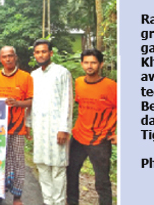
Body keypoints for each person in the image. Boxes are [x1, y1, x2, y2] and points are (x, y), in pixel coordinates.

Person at [66, 49, 116, 205]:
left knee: (102, 181)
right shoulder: (79, 82)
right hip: (79, 136)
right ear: (81, 64)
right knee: (70, 173)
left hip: (100, 139)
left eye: (93, 62)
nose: (90, 66)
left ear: (100, 64)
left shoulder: (111, 86)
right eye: (86, 62)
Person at [28, 39, 72, 205]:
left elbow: (67, 102)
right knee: (42, 166)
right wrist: (29, 124)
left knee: (58, 169)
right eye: (38, 52)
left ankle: (59, 202)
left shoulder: (62, 72)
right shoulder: (33, 75)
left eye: (44, 51)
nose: (41, 55)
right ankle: (47, 201)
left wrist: (64, 128)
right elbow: (31, 103)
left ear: (51, 53)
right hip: (39, 129)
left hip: (56, 130)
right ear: (34, 55)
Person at [0, 47, 32, 205]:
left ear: (15, 57)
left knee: (18, 161)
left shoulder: (25, 77)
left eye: (10, 56)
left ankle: (17, 196)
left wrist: (18, 103)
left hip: (18, 126)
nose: (7, 59)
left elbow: (30, 101)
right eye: (4, 57)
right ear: (0, 59)